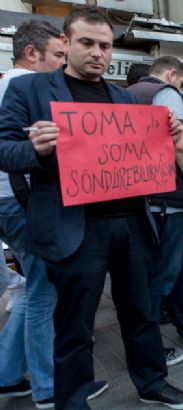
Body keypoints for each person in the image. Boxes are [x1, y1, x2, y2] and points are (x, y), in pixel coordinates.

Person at [0, 7, 183, 409]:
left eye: (104, 45)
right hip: (77, 227)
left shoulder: (124, 97)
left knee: (140, 311)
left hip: (132, 224)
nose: (97, 53)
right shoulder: (29, 91)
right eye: (87, 43)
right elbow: (4, 150)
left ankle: (152, 383)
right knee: (74, 324)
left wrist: (168, 132)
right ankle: (71, 400)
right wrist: (35, 150)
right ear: (66, 43)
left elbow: (142, 151)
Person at [0, 19, 91, 410]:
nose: (62, 62)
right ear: (33, 53)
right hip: (20, 202)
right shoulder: (21, 85)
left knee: (31, 287)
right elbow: (12, 151)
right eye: (58, 54)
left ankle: (8, 377)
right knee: (43, 292)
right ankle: (47, 388)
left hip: (13, 202)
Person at [128, 56, 183, 365]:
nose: (182, 89)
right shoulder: (166, 93)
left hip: (137, 198)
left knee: (171, 268)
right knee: (162, 274)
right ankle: (145, 348)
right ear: (172, 74)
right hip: (166, 200)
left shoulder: (125, 95)